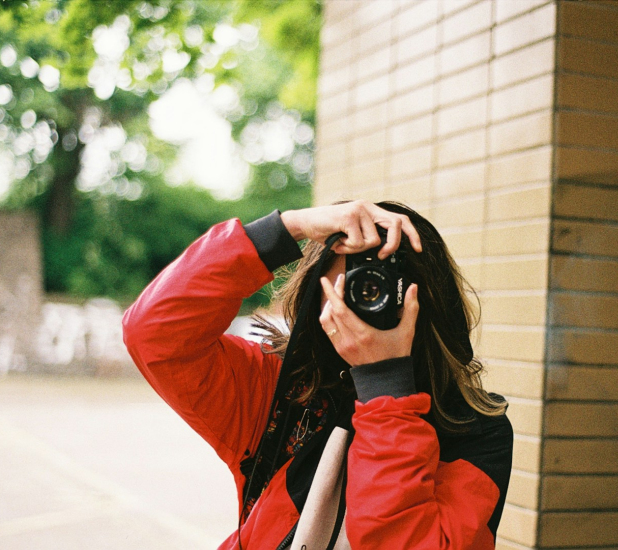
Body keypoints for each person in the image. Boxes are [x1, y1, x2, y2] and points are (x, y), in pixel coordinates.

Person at [123, 200, 513, 550]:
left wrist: (385, 387)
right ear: (316, 295)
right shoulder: (279, 387)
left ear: (425, 301)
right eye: (349, 285)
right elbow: (154, 334)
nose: (363, 301)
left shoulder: (475, 431)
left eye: (378, 287)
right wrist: (286, 228)